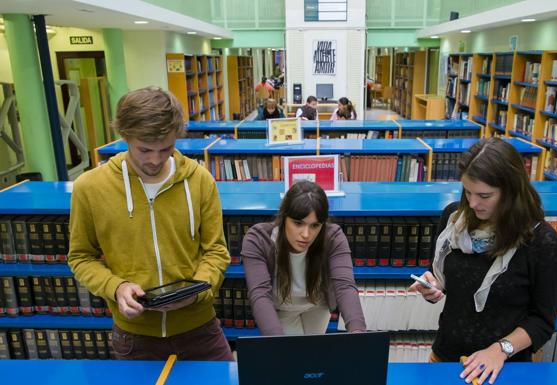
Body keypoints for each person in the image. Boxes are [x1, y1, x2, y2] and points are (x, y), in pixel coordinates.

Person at [68, 87, 233, 361]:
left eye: (166, 148)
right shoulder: (90, 188)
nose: (155, 160)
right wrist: (116, 287)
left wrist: (196, 292)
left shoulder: (201, 180)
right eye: (144, 149)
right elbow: (81, 257)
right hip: (134, 337)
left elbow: (216, 251)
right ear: (125, 136)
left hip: (200, 329)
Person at [409, 137, 557, 384]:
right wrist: (434, 285)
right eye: (467, 192)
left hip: (504, 369)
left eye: (484, 195)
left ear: (511, 191)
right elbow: (444, 276)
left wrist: (499, 350)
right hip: (445, 357)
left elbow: (542, 321)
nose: (472, 203)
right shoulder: (453, 218)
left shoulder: (541, 241)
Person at [241, 180, 366, 335]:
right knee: (290, 356)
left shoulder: (333, 237)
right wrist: (274, 344)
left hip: (317, 304)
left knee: (312, 353)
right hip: (282, 307)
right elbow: (259, 294)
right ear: (284, 217)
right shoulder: (258, 239)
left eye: (315, 226)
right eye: (298, 223)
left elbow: (345, 286)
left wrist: (358, 331)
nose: (306, 235)